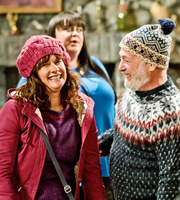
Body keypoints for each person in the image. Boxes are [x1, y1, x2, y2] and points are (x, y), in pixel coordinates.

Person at [17, 11, 116, 199]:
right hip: (69, 170)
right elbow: (22, 114)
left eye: (79, 29)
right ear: (51, 36)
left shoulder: (95, 65)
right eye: (67, 28)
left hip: (110, 164)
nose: (75, 33)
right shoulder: (42, 73)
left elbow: (111, 105)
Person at [0, 35, 106, 200]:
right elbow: (2, 172)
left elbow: (92, 171)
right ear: (34, 73)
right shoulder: (15, 110)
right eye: (45, 64)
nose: (55, 69)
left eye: (58, 61)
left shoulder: (83, 109)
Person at [98, 18, 180, 200]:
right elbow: (122, 134)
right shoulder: (132, 91)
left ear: (150, 64)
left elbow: (172, 183)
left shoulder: (171, 115)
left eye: (126, 60)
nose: (120, 67)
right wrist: (95, 146)